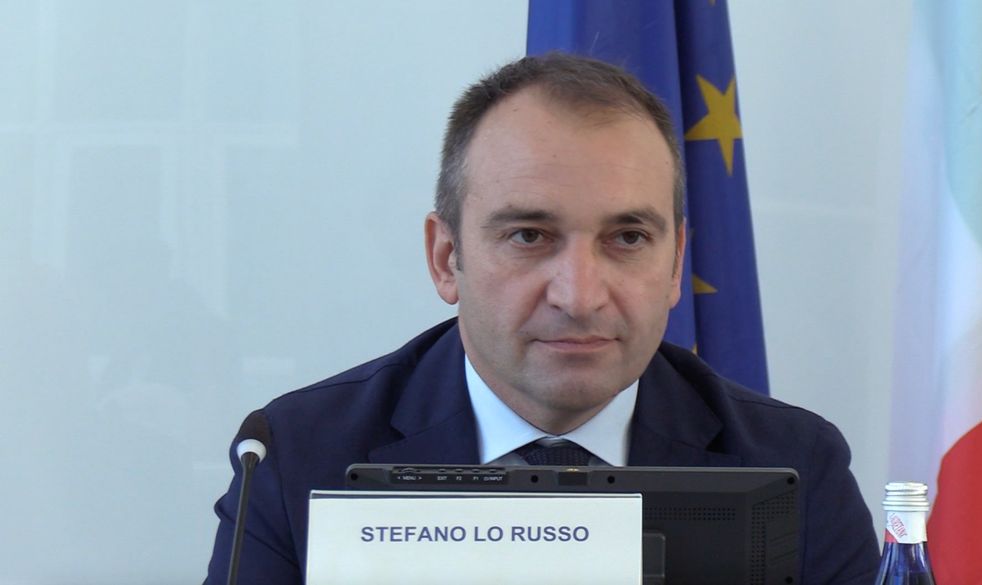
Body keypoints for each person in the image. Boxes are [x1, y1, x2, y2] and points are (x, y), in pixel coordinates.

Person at [204, 53, 880, 584]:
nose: (579, 296)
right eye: (529, 236)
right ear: (446, 258)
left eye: (628, 238)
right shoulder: (294, 460)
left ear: (676, 264)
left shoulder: (796, 466)